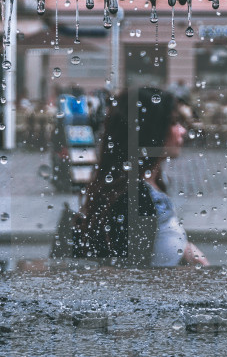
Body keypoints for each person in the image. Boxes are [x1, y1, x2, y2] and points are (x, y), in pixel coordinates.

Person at [71, 87, 208, 267]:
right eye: (174, 123)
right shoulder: (135, 198)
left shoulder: (145, 186)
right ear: (153, 131)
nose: (182, 131)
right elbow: (133, 280)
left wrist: (186, 249)